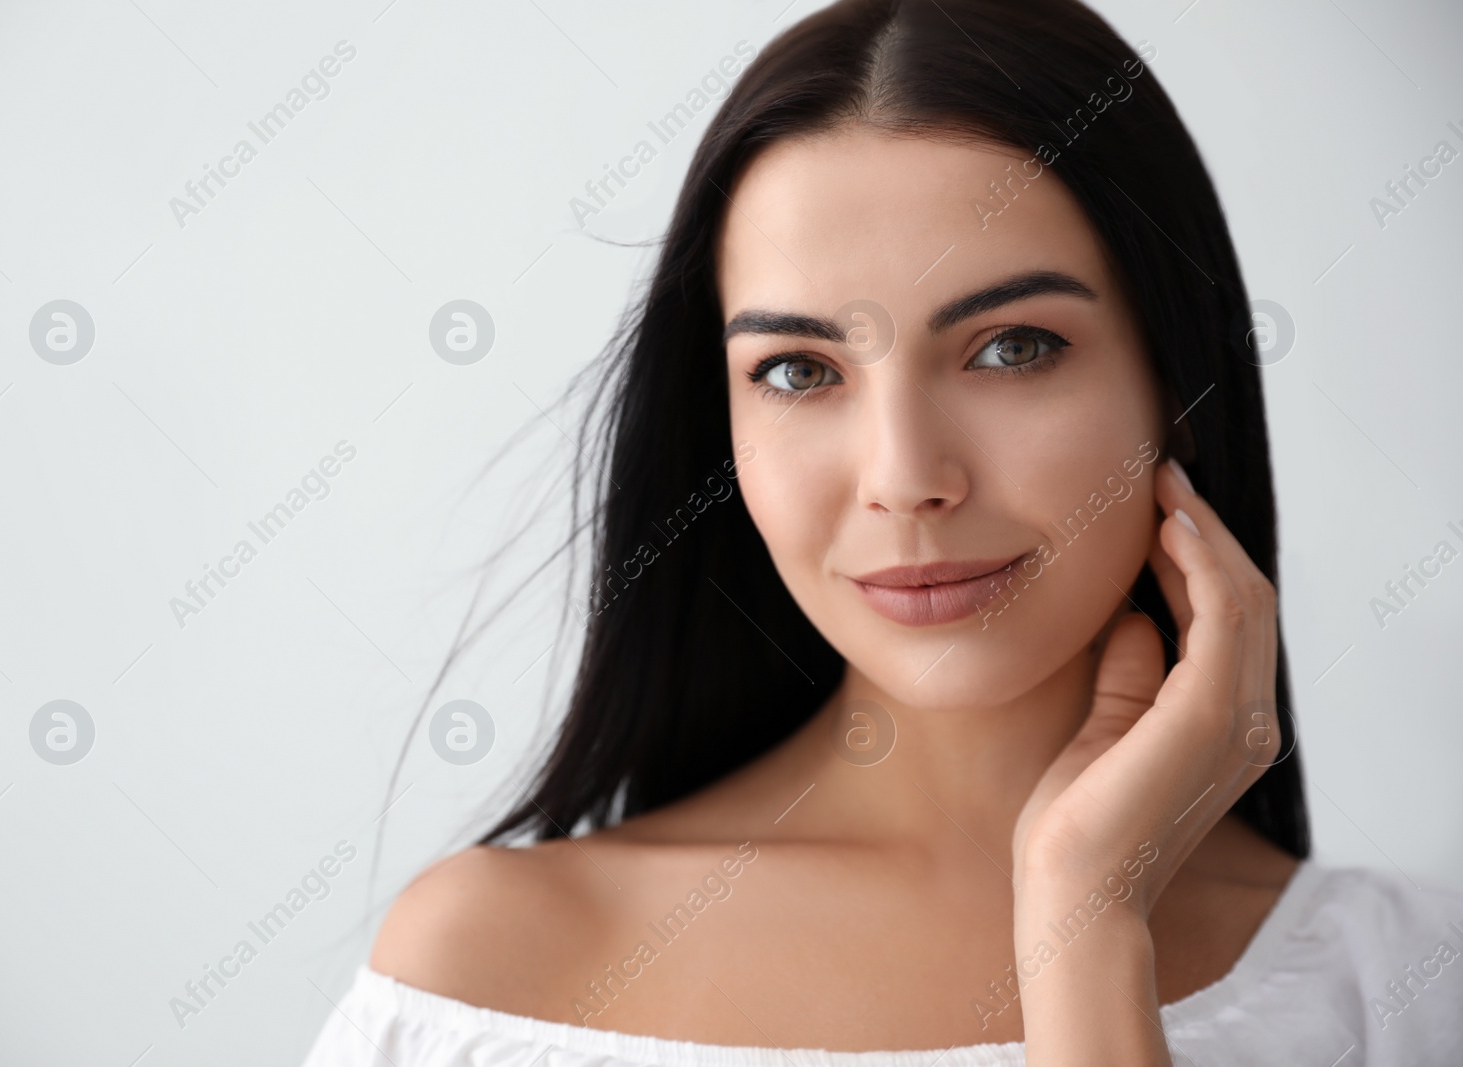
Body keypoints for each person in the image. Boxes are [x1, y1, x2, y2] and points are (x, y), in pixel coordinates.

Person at [302, 0, 1463, 1062]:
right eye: (800, 370)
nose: (906, 477)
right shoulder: (486, 976)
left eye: (1012, 346)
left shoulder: (1403, 989)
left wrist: (1085, 923)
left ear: (1179, 383)